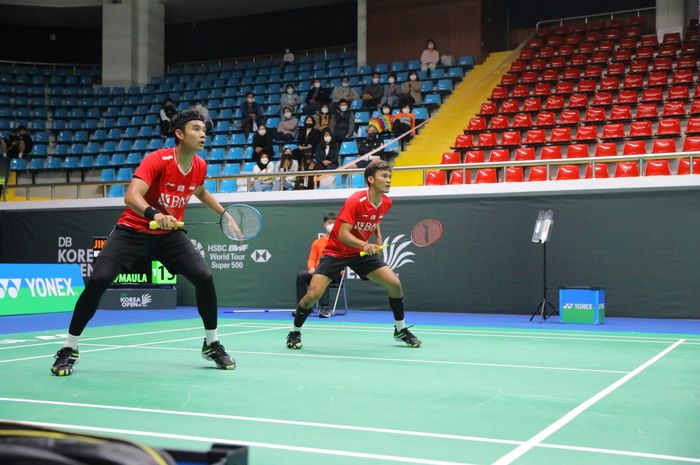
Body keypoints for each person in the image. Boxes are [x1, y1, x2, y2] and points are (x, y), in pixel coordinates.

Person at [50, 111, 238, 376]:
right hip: (133, 230)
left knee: (203, 277)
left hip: (168, 236)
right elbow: (131, 196)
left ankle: (212, 343)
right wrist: (155, 214)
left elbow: (200, 191)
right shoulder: (157, 159)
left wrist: (225, 214)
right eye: (196, 129)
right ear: (180, 134)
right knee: (98, 280)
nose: (203, 133)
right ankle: (69, 347)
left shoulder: (200, 166)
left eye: (204, 129)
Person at [286, 161, 422, 350]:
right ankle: (294, 332)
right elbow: (343, 234)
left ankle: (400, 329)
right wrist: (366, 244)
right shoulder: (355, 200)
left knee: (394, 284)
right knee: (313, 294)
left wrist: (378, 237)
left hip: (360, 252)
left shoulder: (386, 202)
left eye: (390, 176)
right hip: (337, 251)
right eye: (384, 176)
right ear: (371, 179)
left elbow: (375, 219)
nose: (389, 180)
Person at [296, 213, 337, 319]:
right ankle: (303, 307)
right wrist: (311, 268)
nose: (332, 225)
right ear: (324, 224)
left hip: (335, 273)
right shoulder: (317, 242)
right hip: (317, 272)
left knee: (324, 274)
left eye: (334, 223)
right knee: (301, 276)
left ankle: (325, 308)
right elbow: (311, 259)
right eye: (329, 222)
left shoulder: (340, 241)